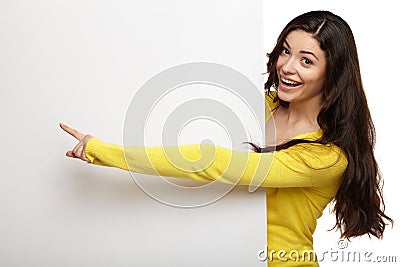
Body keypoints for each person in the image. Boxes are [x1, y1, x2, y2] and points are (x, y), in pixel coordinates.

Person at [60, 10, 392, 266]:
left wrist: (100, 150)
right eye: (286, 51)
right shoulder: (261, 106)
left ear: (332, 74)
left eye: (306, 61)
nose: (287, 67)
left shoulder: (327, 157)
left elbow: (213, 163)